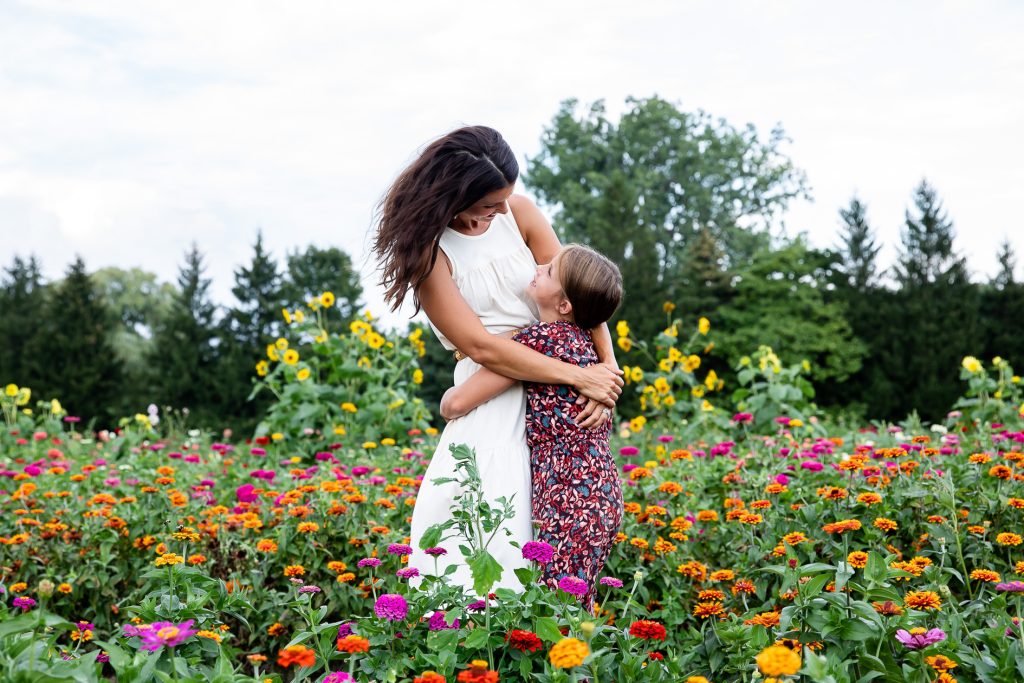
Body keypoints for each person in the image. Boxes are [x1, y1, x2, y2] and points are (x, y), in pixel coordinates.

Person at [373, 126, 623, 593]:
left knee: (544, 533)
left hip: (558, 396)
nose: (503, 210)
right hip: (494, 389)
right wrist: (581, 374)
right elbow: (482, 346)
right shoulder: (429, 255)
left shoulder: (520, 214)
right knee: (479, 529)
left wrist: (606, 372)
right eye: (490, 203)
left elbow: (581, 296)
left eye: (505, 198)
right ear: (455, 195)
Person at [440, 244, 625, 607]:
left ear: (565, 305)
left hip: (568, 497)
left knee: (552, 607)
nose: (539, 266)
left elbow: (456, 403)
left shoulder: (540, 341)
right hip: (600, 493)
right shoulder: (586, 344)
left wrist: (449, 392)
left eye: (551, 271)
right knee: (573, 604)